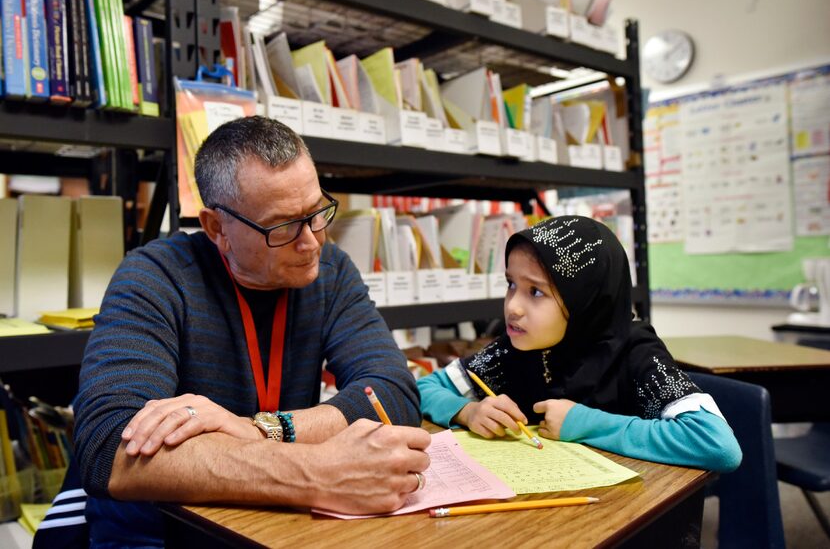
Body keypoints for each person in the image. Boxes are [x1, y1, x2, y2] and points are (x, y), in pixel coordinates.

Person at [67, 116, 430, 547]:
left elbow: (393, 391)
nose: (312, 241)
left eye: (317, 212)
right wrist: (315, 472)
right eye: (283, 226)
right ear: (217, 227)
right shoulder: (154, 277)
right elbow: (109, 449)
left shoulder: (330, 272)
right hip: (159, 532)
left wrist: (264, 430)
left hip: (270, 522)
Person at [417, 216, 742, 472]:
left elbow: (717, 445)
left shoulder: (636, 353)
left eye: (536, 292)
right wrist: (467, 411)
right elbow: (423, 388)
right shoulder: (514, 349)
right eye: (511, 284)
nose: (513, 306)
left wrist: (584, 423)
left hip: (633, 515)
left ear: (586, 300)